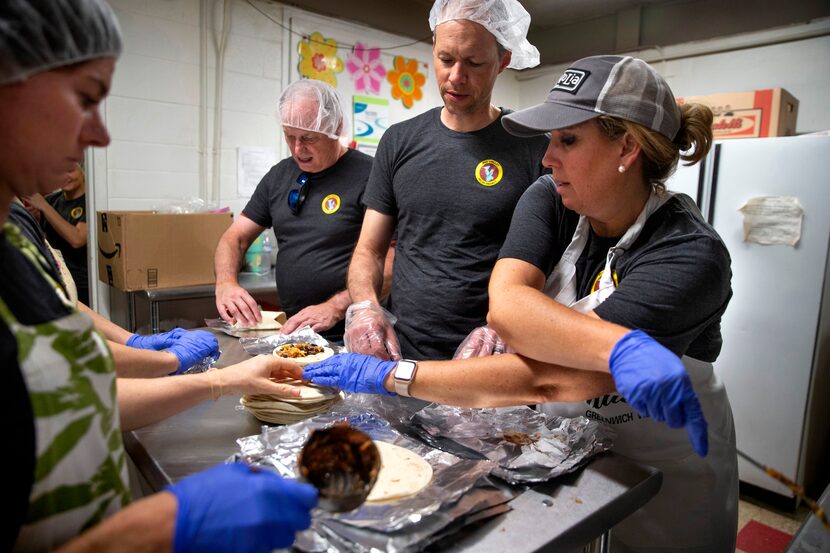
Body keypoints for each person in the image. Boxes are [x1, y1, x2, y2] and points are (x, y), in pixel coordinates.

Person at [303, 56, 738, 552]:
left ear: (628, 147)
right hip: (574, 457)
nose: (547, 158)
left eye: (567, 140)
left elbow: (551, 376)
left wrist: (392, 376)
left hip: (665, 482)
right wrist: (559, 334)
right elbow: (505, 308)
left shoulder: (688, 255)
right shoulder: (552, 197)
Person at [0, 2, 317, 551]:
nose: (99, 136)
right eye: (86, 98)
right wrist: (157, 528)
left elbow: (74, 396)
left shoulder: (12, 243)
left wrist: (224, 380)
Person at [344, 0, 549, 361]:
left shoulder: (533, 149)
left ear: (502, 62)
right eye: (446, 59)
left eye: (473, 62)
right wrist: (364, 307)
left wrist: (508, 328)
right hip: (401, 353)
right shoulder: (399, 141)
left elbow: (557, 262)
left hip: (491, 359)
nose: (456, 76)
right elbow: (370, 250)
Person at [214, 79, 378, 343]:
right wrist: (226, 283)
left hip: (354, 334)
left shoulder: (371, 175)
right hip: (297, 333)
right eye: (290, 137)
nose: (298, 149)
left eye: (309, 138)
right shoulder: (278, 176)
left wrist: (335, 307)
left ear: (335, 128)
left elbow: (392, 260)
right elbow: (235, 237)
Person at [9, 200, 221, 378]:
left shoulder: (17, 213)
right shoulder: (8, 224)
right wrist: (170, 361)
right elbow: (61, 348)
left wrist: (131, 341)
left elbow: (63, 302)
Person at [23, 163, 91, 304]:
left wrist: (44, 207)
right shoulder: (51, 200)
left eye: (70, 170)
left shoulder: (90, 201)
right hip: (57, 279)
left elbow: (77, 239)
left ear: (82, 171)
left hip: (82, 285)